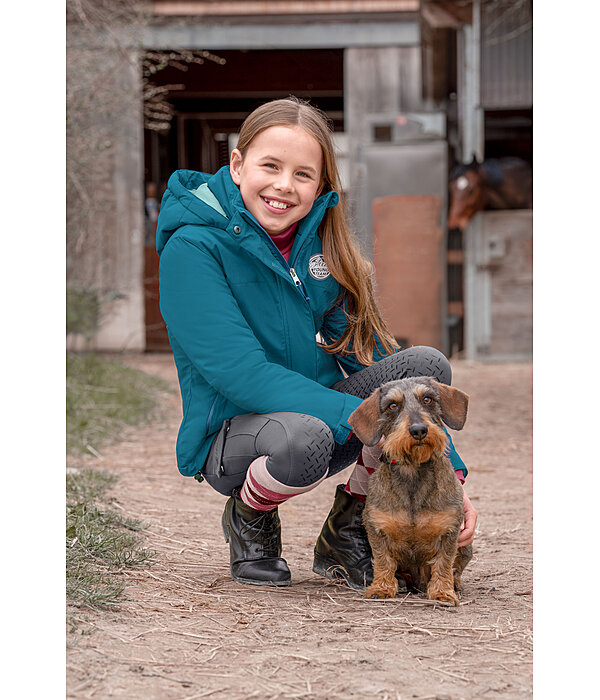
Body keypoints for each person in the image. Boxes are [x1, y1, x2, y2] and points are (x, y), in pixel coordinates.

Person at [156, 97, 477, 589]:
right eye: (270, 166)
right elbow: (239, 373)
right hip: (238, 437)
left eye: (303, 174)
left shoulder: (319, 248)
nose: (284, 185)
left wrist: (448, 467)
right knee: (306, 437)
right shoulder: (192, 249)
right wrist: (355, 416)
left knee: (422, 369)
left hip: (318, 416)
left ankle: (350, 528)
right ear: (237, 165)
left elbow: (367, 353)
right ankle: (250, 515)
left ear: (321, 186)